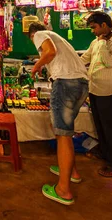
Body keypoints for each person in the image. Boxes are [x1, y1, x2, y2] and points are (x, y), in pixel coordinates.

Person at [27, 22, 88, 206]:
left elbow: (50, 52)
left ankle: (63, 189)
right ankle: (72, 172)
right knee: (66, 132)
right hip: (81, 84)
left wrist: (36, 66)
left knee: (62, 134)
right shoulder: (59, 38)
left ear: (32, 34)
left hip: (66, 83)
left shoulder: (39, 34)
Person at [81, 12, 112, 177]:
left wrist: (102, 43)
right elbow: (85, 58)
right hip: (94, 89)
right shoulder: (95, 42)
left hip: (108, 92)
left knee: (111, 128)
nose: (92, 31)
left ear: (104, 25)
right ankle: (105, 153)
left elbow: (109, 62)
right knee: (100, 125)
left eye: (94, 27)